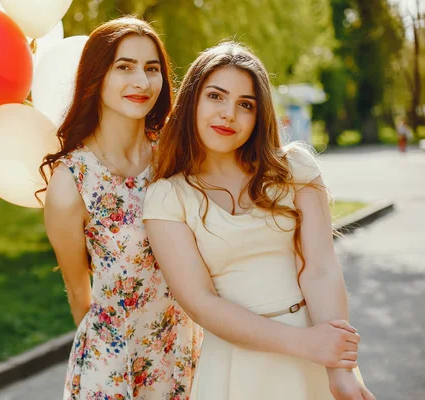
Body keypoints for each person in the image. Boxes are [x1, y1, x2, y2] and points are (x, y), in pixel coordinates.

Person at [143, 42, 375, 400]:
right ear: (192, 101)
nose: (228, 115)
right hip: (237, 363)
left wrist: (339, 370)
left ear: (259, 114)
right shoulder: (167, 196)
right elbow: (200, 302)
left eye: (245, 105)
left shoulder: (294, 169)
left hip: (316, 349)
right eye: (216, 97)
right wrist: (304, 344)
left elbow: (321, 270)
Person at [38, 17, 202, 399]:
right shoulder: (71, 183)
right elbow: (79, 294)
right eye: (124, 67)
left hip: (186, 351)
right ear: (97, 76)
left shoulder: (175, 155)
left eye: (152, 69)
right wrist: (113, 356)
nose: (141, 83)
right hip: (115, 366)